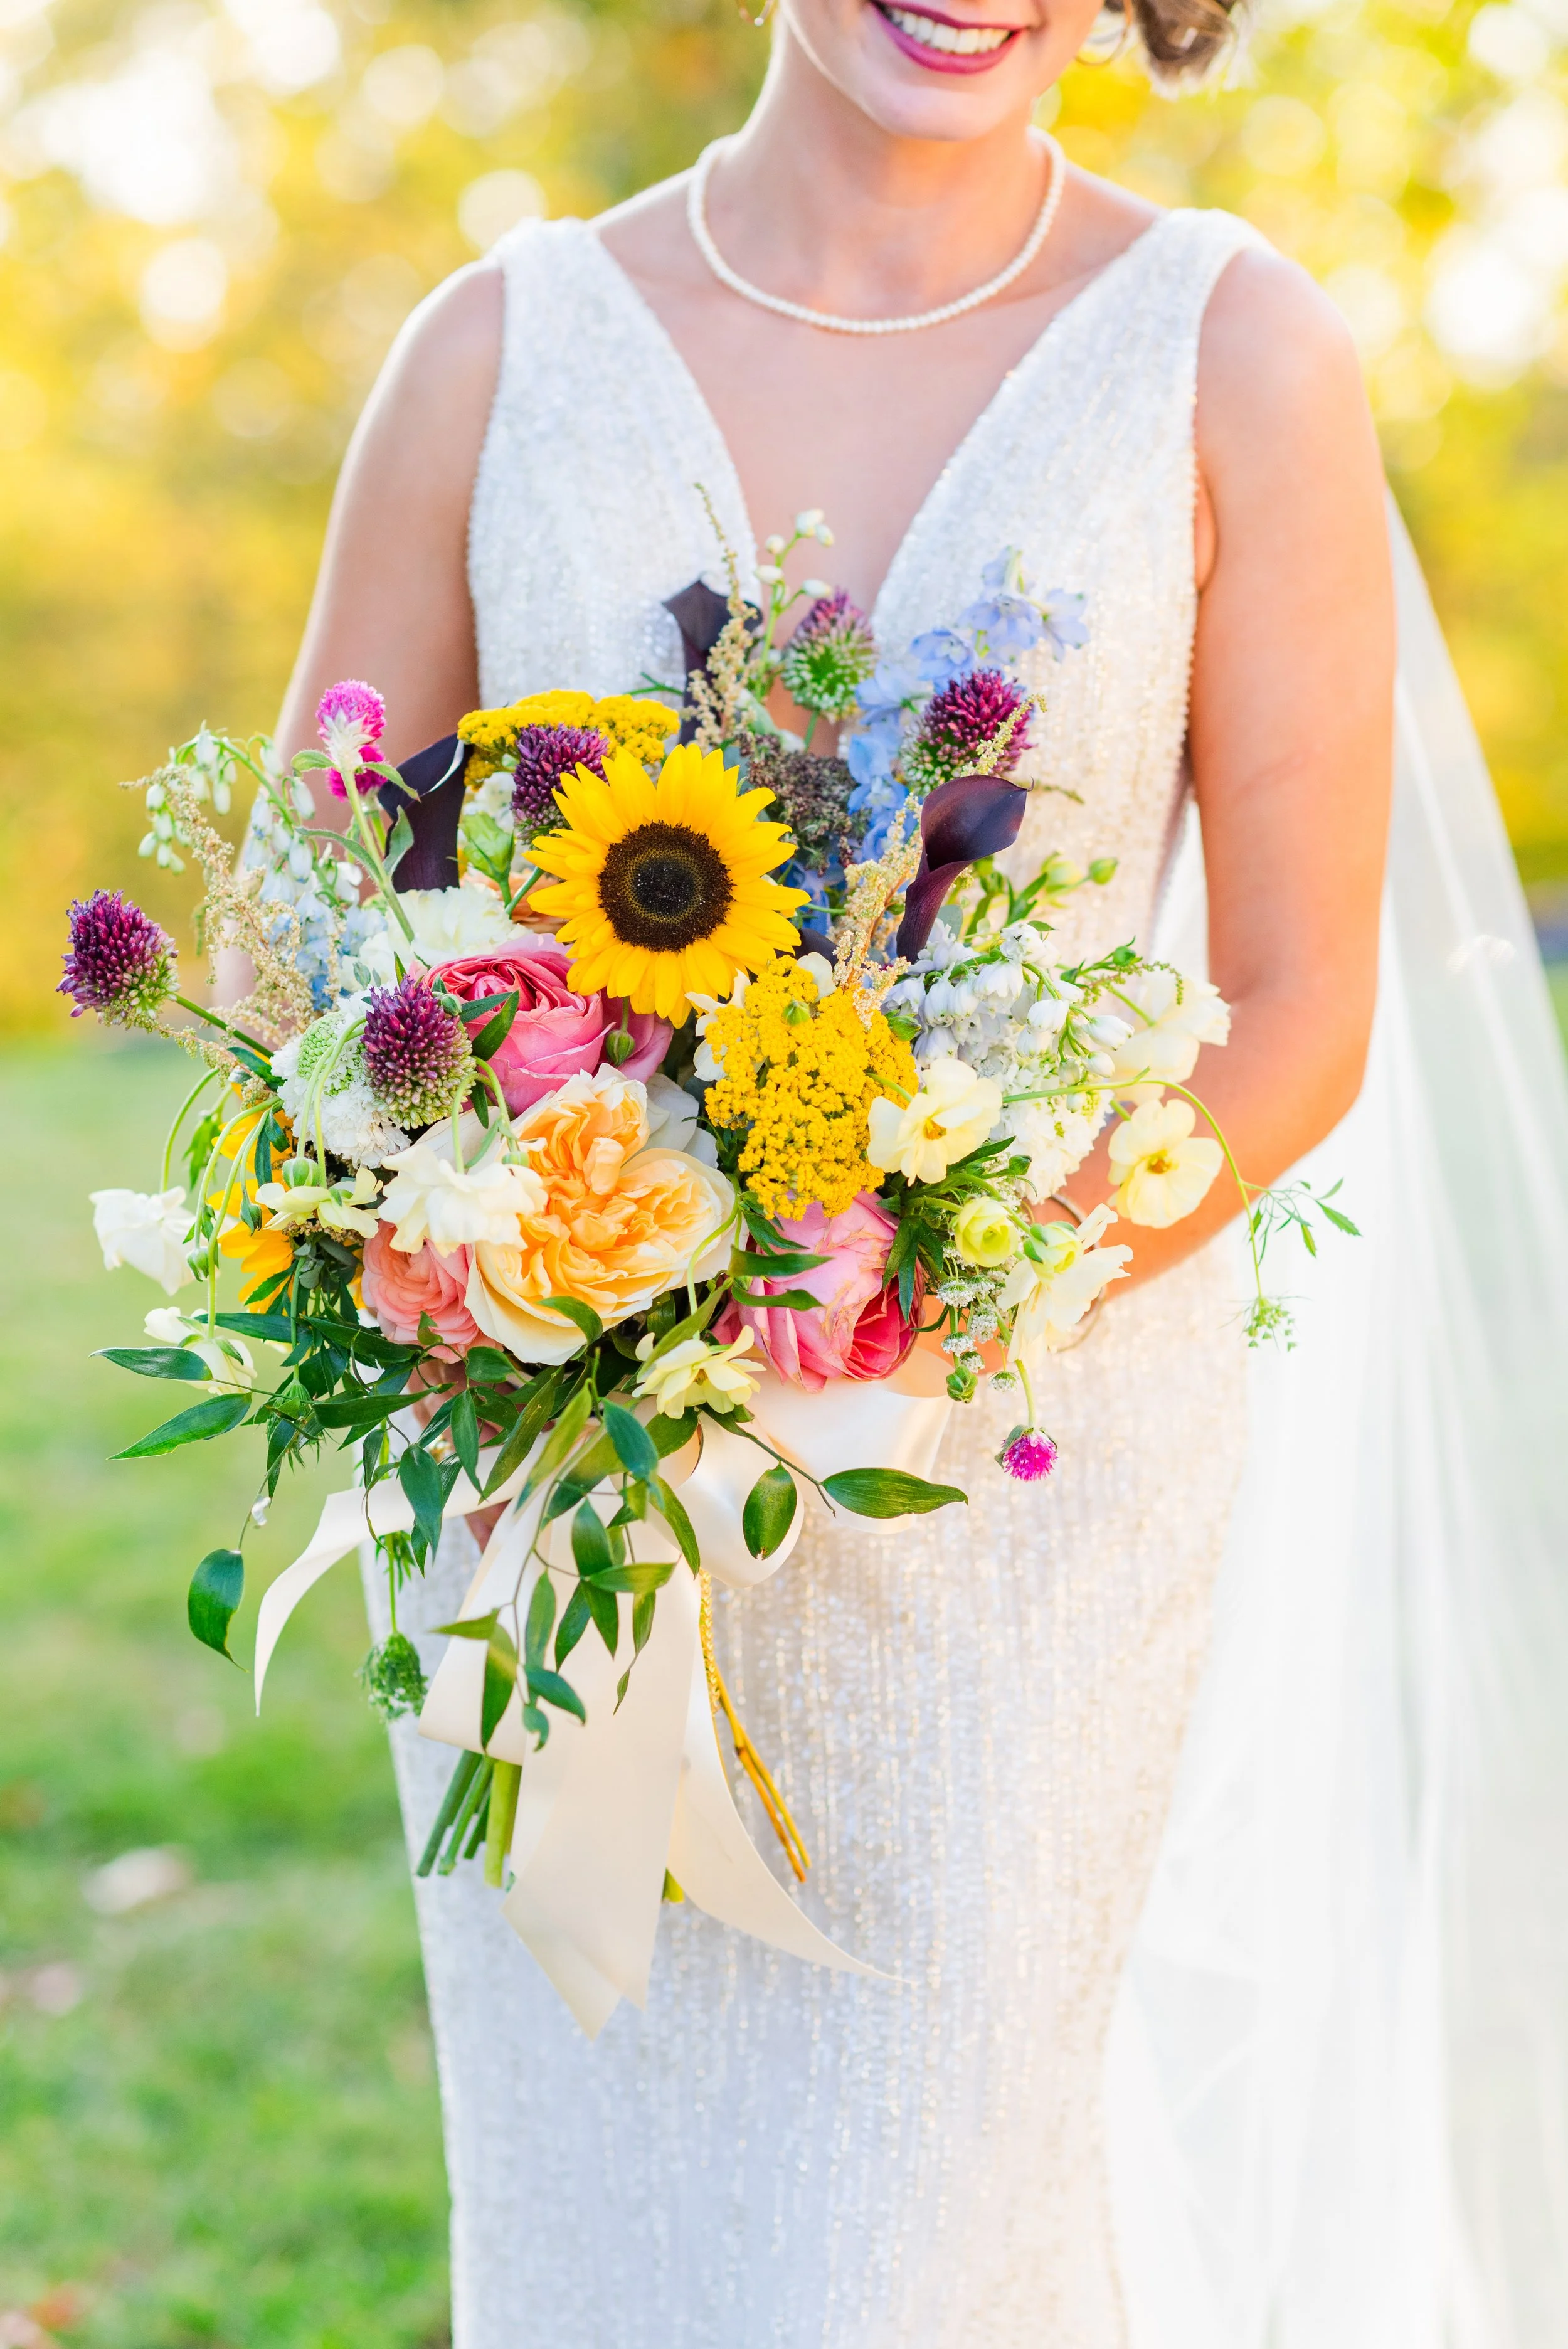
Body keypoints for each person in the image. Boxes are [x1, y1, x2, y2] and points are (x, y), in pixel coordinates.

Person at [270, 0, 1568, 2339]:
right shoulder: (495, 347)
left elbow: (1296, 1017)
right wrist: (516, 1259)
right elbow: (304, 933)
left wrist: (926, 1290)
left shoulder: (1227, 350)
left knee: (911, 2242)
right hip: (546, 1483)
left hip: (1010, 1499)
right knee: (590, 2231)